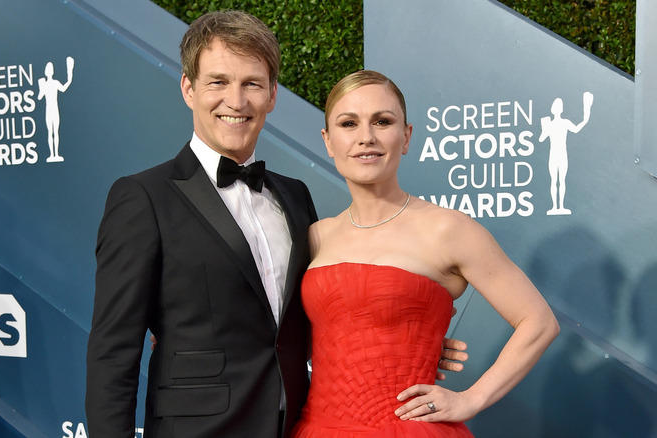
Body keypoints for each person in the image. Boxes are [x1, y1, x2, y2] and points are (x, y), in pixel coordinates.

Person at [85, 11, 465, 438]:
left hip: (299, 427)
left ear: (272, 96)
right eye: (218, 82)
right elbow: (112, 352)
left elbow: (316, 313)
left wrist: (399, 337)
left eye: (252, 84)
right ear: (189, 89)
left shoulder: (294, 196)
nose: (236, 101)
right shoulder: (143, 197)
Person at [291, 70, 560, 437]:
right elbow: (311, 341)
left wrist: (472, 398)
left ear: (406, 136)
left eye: (382, 121)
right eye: (348, 123)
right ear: (328, 140)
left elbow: (539, 322)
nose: (366, 137)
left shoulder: (448, 229)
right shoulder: (316, 236)